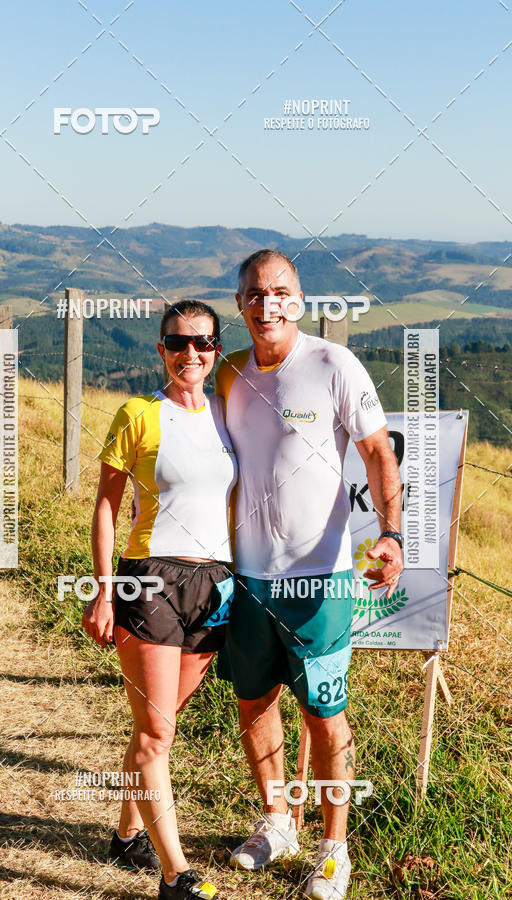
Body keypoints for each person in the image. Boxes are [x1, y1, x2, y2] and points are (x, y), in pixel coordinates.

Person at [215, 250, 404, 900]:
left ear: (298, 299)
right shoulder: (230, 373)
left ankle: (333, 850)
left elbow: (379, 450)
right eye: (254, 293)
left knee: (326, 718)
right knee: (254, 705)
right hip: (246, 581)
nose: (267, 304)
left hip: (319, 583)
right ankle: (276, 823)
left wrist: (391, 532)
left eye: (281, 291)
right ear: (239, 303)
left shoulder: (332, 365)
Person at [82, 299, 237, 900]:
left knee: (156, 727)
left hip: (215, 585)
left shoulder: (230, 414)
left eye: (202, 343)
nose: (190, 354)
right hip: (148, 579)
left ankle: (126, 835)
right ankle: (175, 874)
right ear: (161, 349)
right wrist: (102, 590)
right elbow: (105, 505)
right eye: (178, 343)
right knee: (156, 735)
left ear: (216, 349)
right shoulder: (138, 414)